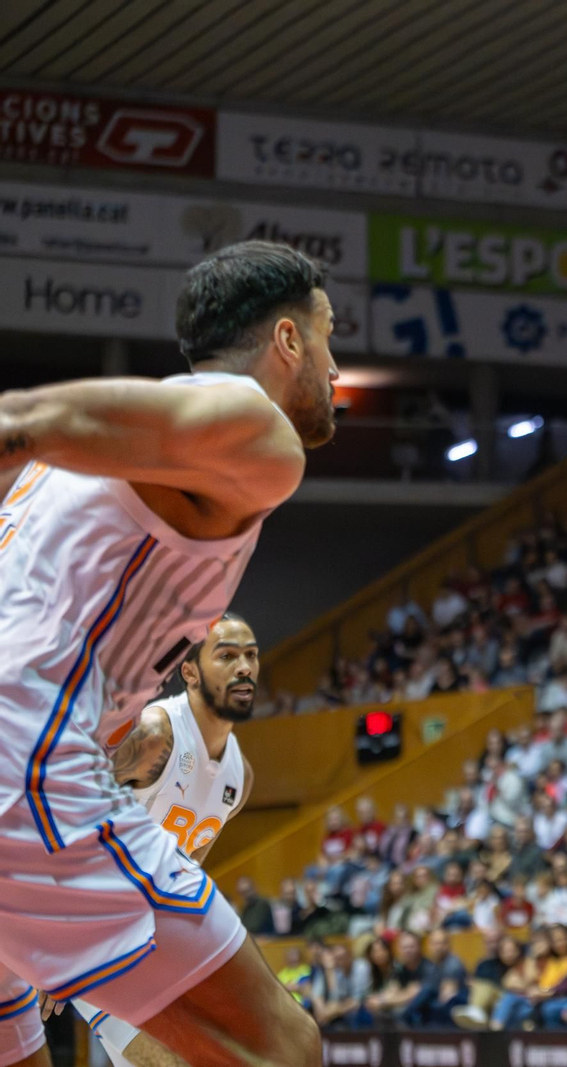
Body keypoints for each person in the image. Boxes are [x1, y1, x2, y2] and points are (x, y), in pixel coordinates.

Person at [0, 240, 337, 1067]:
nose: (336, 368)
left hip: (29, 755)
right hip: (22, 765)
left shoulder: (61, 482)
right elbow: (23, 420)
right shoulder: (247, 419)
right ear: (289, 340)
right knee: (278, 1049)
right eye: (332, 336)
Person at [60, 616, 261, 1067]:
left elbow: (185, 871)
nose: (244, 667)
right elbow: (56, 813)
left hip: (148, 939)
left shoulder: (239, 778)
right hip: (90, 928)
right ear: (189, 671)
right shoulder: (154, 735)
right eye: (227, 656)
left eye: (251, 655)